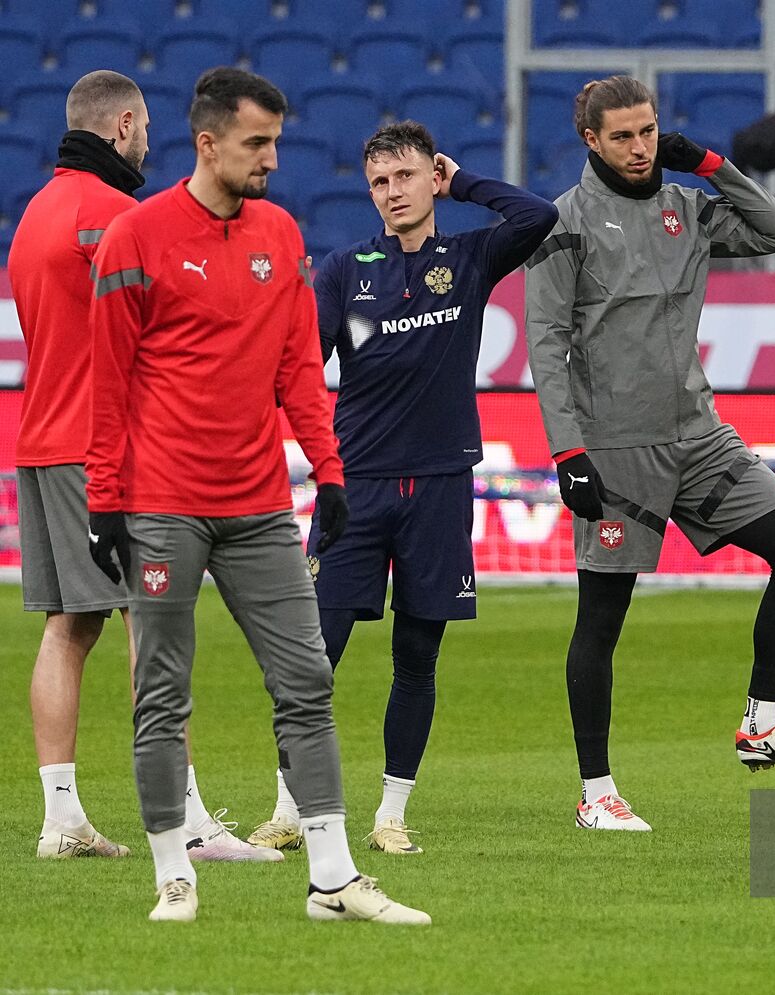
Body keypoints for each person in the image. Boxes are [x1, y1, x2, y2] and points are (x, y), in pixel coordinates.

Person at [86, 66, 427, 924]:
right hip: (163, 506)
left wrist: (331, 469)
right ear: (208, 144)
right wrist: (103, 498)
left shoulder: (281, 231)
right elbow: (110, 382)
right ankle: (174, 876)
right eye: (257, 143)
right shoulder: (136, 237)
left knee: (308, 679)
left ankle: (333, 879)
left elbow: (297, 370)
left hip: (260, 507)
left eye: (275, 140)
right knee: (163, 692)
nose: (274, 157)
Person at [525, 75, 775, 832]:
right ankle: (596, 792)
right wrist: (568, 451)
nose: (640, 149)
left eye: (649, 133)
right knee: (603, 618)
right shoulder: (564, 224)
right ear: (591, 142)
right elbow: (545, 346)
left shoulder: (687, 208)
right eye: (624, 136)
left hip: (699, 436)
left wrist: (707, 162)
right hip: (615, 449)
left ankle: (762, 723)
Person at [245, 121, 556, 855]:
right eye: (380, 182)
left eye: (408, 177)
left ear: (432, 178)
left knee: (418, 656)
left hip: (441, 485)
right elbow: (299, 368)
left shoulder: (472, 257)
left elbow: (538, 216)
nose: (393, 193)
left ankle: (391, 814)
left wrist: (467, 181)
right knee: (313, 657)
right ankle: (290, 807)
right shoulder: (345, 269)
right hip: (353, 490)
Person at [10, 69, 264, 863]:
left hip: (40, 441)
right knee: (153, 624)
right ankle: (184, 815)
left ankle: (62, 817)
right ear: (122, 126)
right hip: (109, 452)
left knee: (68, 625)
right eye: (147, 128)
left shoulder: (32, 217)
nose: (151, 142)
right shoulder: (119, 215)